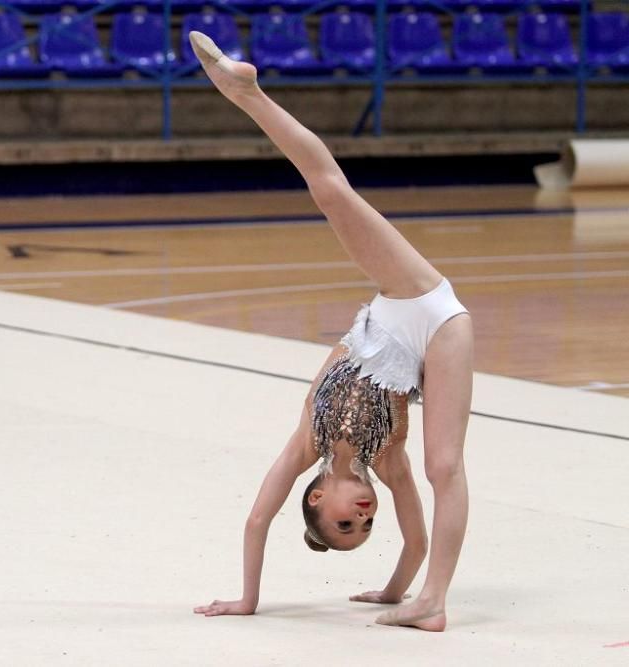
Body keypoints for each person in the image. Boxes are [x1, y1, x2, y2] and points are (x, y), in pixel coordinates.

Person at [188, 32, 474, 633]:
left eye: (348, 523)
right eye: (366, 528)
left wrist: (247, 600)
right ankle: (431, 602)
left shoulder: (306, 444)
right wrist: (395, 588)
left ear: (317, 498)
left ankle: (248, 93)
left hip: (407, 299)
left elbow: (257, 521)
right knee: (443, 468)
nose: (365, 518)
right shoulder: (387, 460)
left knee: (331, 191)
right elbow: (415, 540)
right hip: (442, 330)